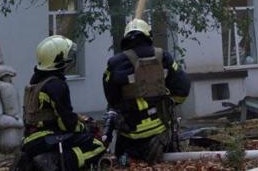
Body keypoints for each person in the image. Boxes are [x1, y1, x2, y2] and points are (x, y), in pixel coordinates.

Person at [102, 19, 191, 163]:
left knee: (122, 162)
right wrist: (168, 104)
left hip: (129, 138)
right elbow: (183, 89)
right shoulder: (163, 56)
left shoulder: (114, 63)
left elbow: (112, 99)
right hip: (160, 135)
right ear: (148, 36)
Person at [21, 35, 105, 170]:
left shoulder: (37, 83)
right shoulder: (56, 85)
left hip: (31, 139)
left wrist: (81, 119)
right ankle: (54, 161)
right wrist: (85, 127)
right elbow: (67, 124)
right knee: (97, 145)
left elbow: (53, 114)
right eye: (66, 56)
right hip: (48, 138)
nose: (68, 60)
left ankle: (44, 160)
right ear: (57, 60)